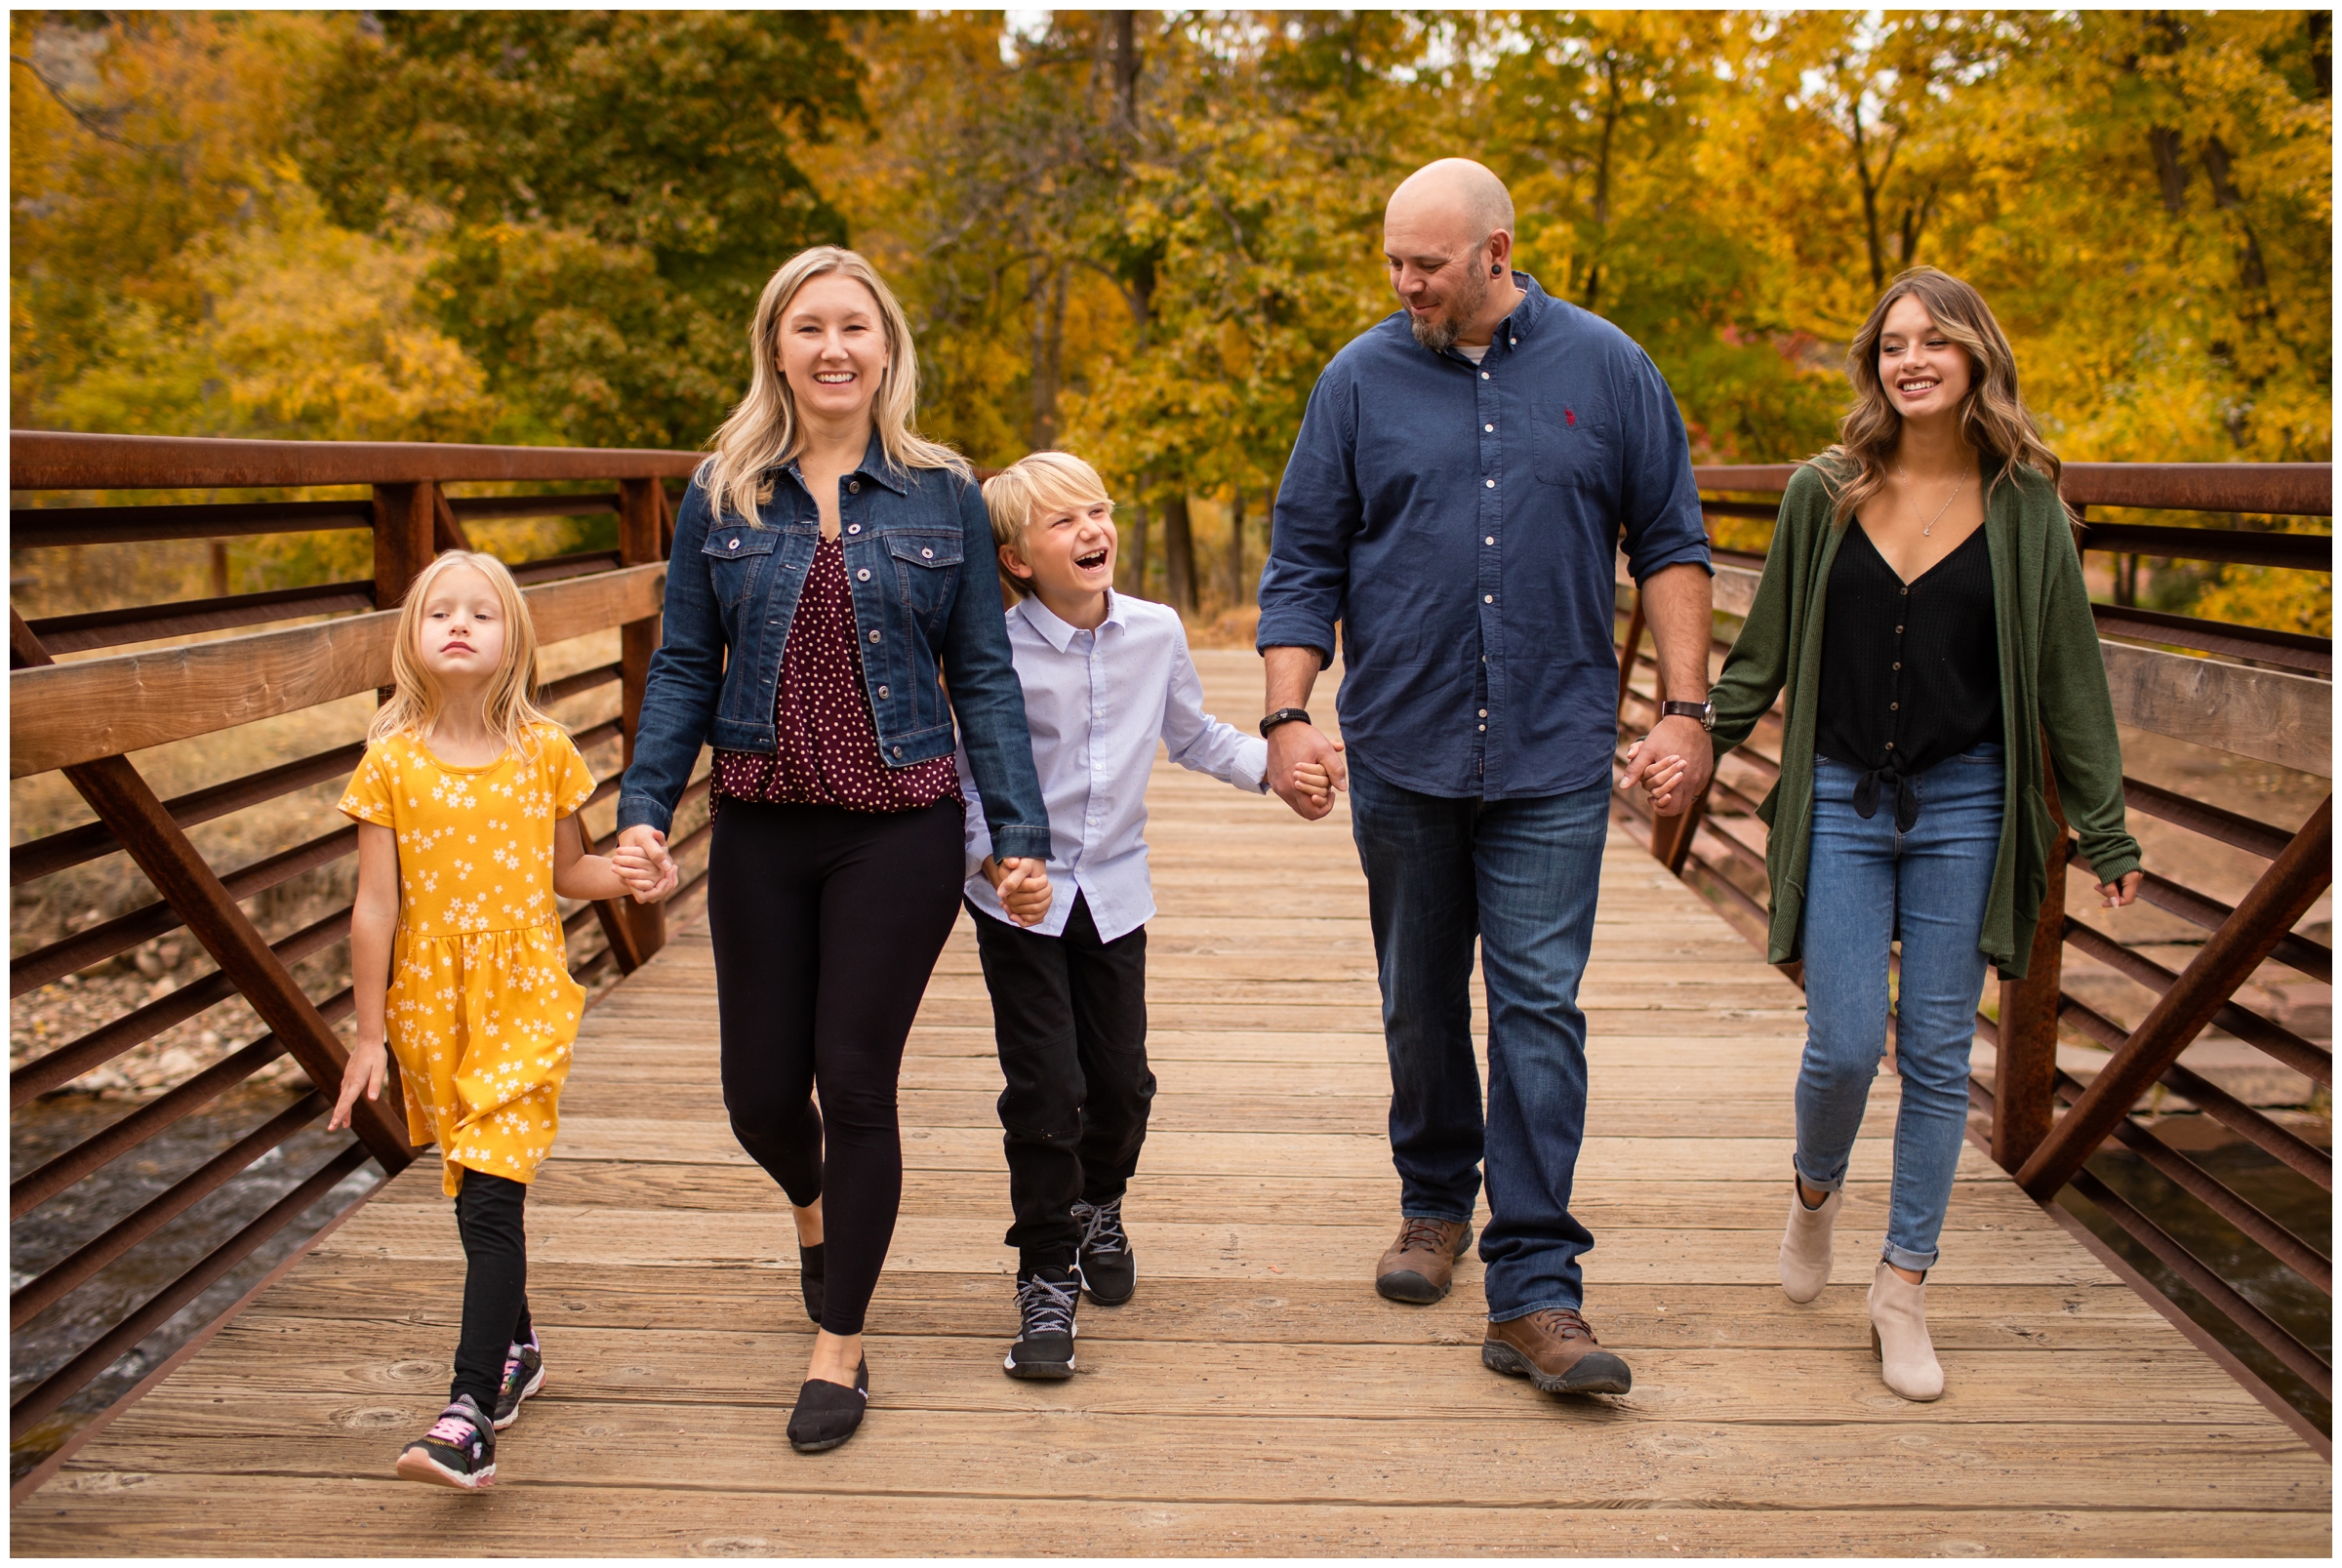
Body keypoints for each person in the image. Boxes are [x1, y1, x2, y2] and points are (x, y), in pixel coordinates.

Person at [1627, 265, 2144, 1401]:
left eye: (1935, 342)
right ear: (1876, 363)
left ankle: (1902, 1285)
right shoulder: (1827, 492)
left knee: (1939, 1056)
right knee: (1846, 1043)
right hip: (1843, 798)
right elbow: (1758, 655)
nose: (1912, 360)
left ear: (1976, 358)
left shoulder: (2028, 505)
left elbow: (2069, 682)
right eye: (1894, 343)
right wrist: (1691, 736)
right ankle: (1816, 1190)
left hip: (1968, 804)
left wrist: (2103, 833)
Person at [1255, 157, 1715, 1398]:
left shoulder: (1609, 369)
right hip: (1401, 743)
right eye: (1394, 261)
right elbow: (1302, 555)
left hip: (1553, 751)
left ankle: (1536, 1284)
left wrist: (1685, 709)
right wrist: (1288, 713)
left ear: (1498, 252)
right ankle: (1431, 1198)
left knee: (1537, 1008)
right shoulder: (1356, 380)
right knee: (1417, 994)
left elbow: (1671, 541)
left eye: (1430, 265)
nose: (1407, 283)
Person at [612, 246, 1053, 1454]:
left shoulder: (940, 491)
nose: (834, 348)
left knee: (854, 1079)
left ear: (887, 347)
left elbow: (987, 677)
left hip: (899, 826)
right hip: (761, 819)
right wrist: (644, 806)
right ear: (777, 347)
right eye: (809, 327)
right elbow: (686, 665)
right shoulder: (722, 492)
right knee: (761, 1093)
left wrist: (1017, 835)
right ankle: (812, 1207)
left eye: (855, 326)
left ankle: (840, 1345)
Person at [957, 452, 1328, 1380]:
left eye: (1099, 510)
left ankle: (1099, 1204)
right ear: (1015, 559)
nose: (1093, 531)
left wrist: (1275, 768)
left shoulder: (1155, 632)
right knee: (1046, 1088)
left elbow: (1195, 735)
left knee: (1120, 1084)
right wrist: (999, 858)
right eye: (1064, 522)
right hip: (1022, 903)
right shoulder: (989, 649)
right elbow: (961, 776)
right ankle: (1045, 1274)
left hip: (1115, 891)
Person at [330, 549, 662, 1491]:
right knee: (472, 1192)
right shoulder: (389, 762)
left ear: (513, 634)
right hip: (430, 1009)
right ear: (414, 638)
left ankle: (466, 1410)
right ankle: (517, 1344)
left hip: (520, 998)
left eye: (482, 611)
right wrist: (366, 1036)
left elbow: (572, 874)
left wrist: (635, 871)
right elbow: (373, 910)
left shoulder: (544, 751)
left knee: (490, 1196)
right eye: (441, 613)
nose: (461, 625)